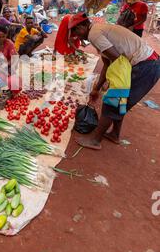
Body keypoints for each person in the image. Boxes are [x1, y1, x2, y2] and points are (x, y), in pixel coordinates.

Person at [68, 13, 160, 150]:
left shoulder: (94, 33)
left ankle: (95, 140)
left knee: (113, 100)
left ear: (83, 26)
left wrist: (114, 83)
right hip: (147, 64)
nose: (76, 36)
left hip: (144, 66)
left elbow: (117, 59)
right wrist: (96, 88)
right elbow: (107, 63)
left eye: (76, 31)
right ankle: (114, 134)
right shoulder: (98, 31)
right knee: (122, 101)